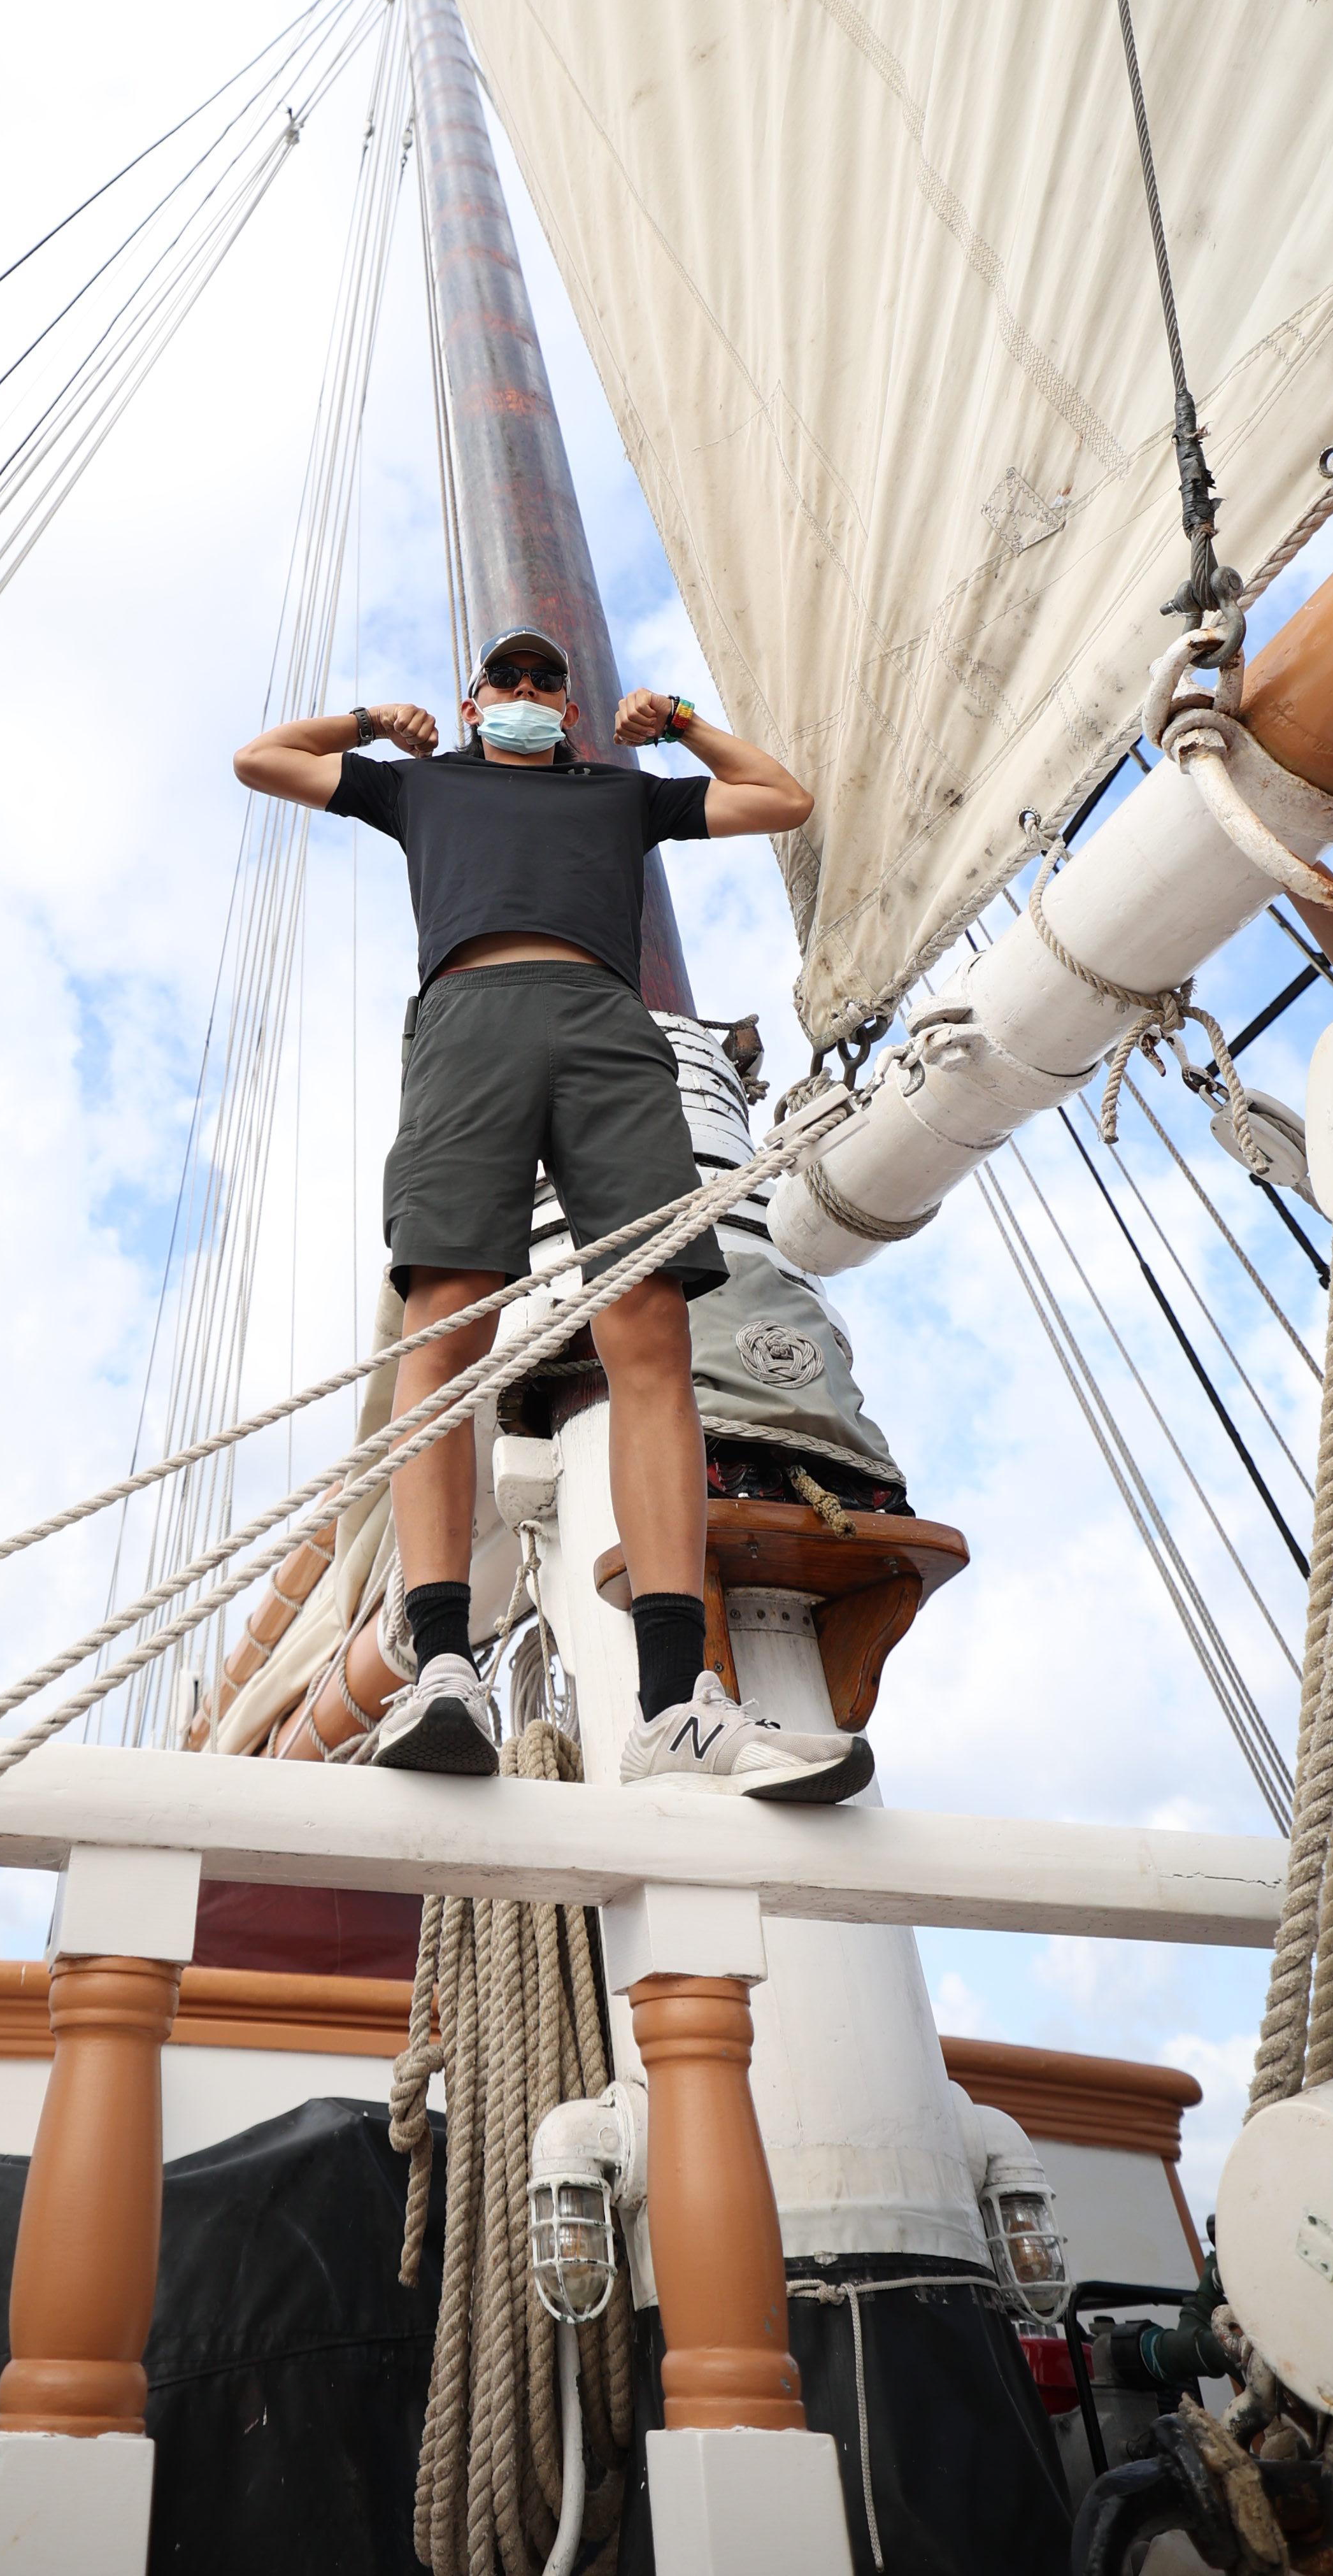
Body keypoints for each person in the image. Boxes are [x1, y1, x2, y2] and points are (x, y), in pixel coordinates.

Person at [234, 624, 867, 1800]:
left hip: (606, 1030)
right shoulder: (421, 785)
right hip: (470, 1019)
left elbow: (779, 798)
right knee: (447, 1322)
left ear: (569, 714)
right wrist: (376, 723)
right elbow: (263, 759)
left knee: (652, 1334)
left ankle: (676, 1705)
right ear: (474, 702)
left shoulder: (617, 797)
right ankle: (441, 1669)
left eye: (546, 684)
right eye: (506, 680)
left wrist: (674, 724)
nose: (528, 692)